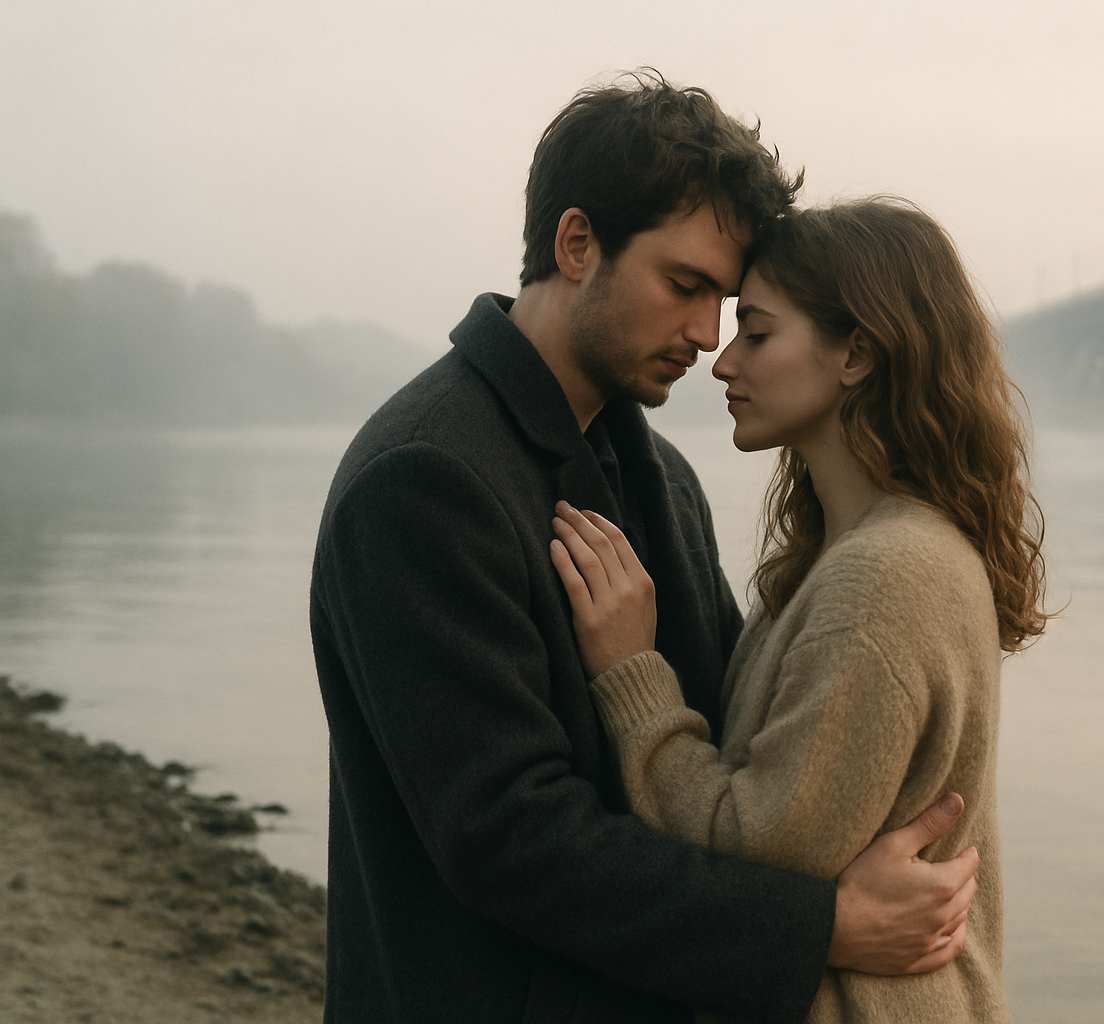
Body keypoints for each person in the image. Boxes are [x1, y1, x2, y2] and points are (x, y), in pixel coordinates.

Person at [309, 75, 980, 1024]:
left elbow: (724, 742)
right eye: (684, 285)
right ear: (576, 244)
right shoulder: (423, 478)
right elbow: (509, 837)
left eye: (728, 301)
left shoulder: (661, 475)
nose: (708, 336)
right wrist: (819, 927)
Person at [548, 199, 1050, 1023]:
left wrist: (631, 675)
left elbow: (754, 847)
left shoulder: (886, 577)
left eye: (757, 333)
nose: (722, 361)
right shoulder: (839, 560)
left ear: (855, 353)